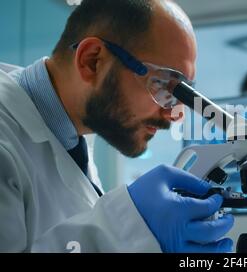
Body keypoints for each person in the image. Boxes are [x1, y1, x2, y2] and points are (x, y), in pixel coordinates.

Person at [0, 0, 234, 252]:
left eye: (182, 95)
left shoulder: (72, 134)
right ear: (93, 61)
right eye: (163, 86)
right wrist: (126, 231)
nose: (174, 114)